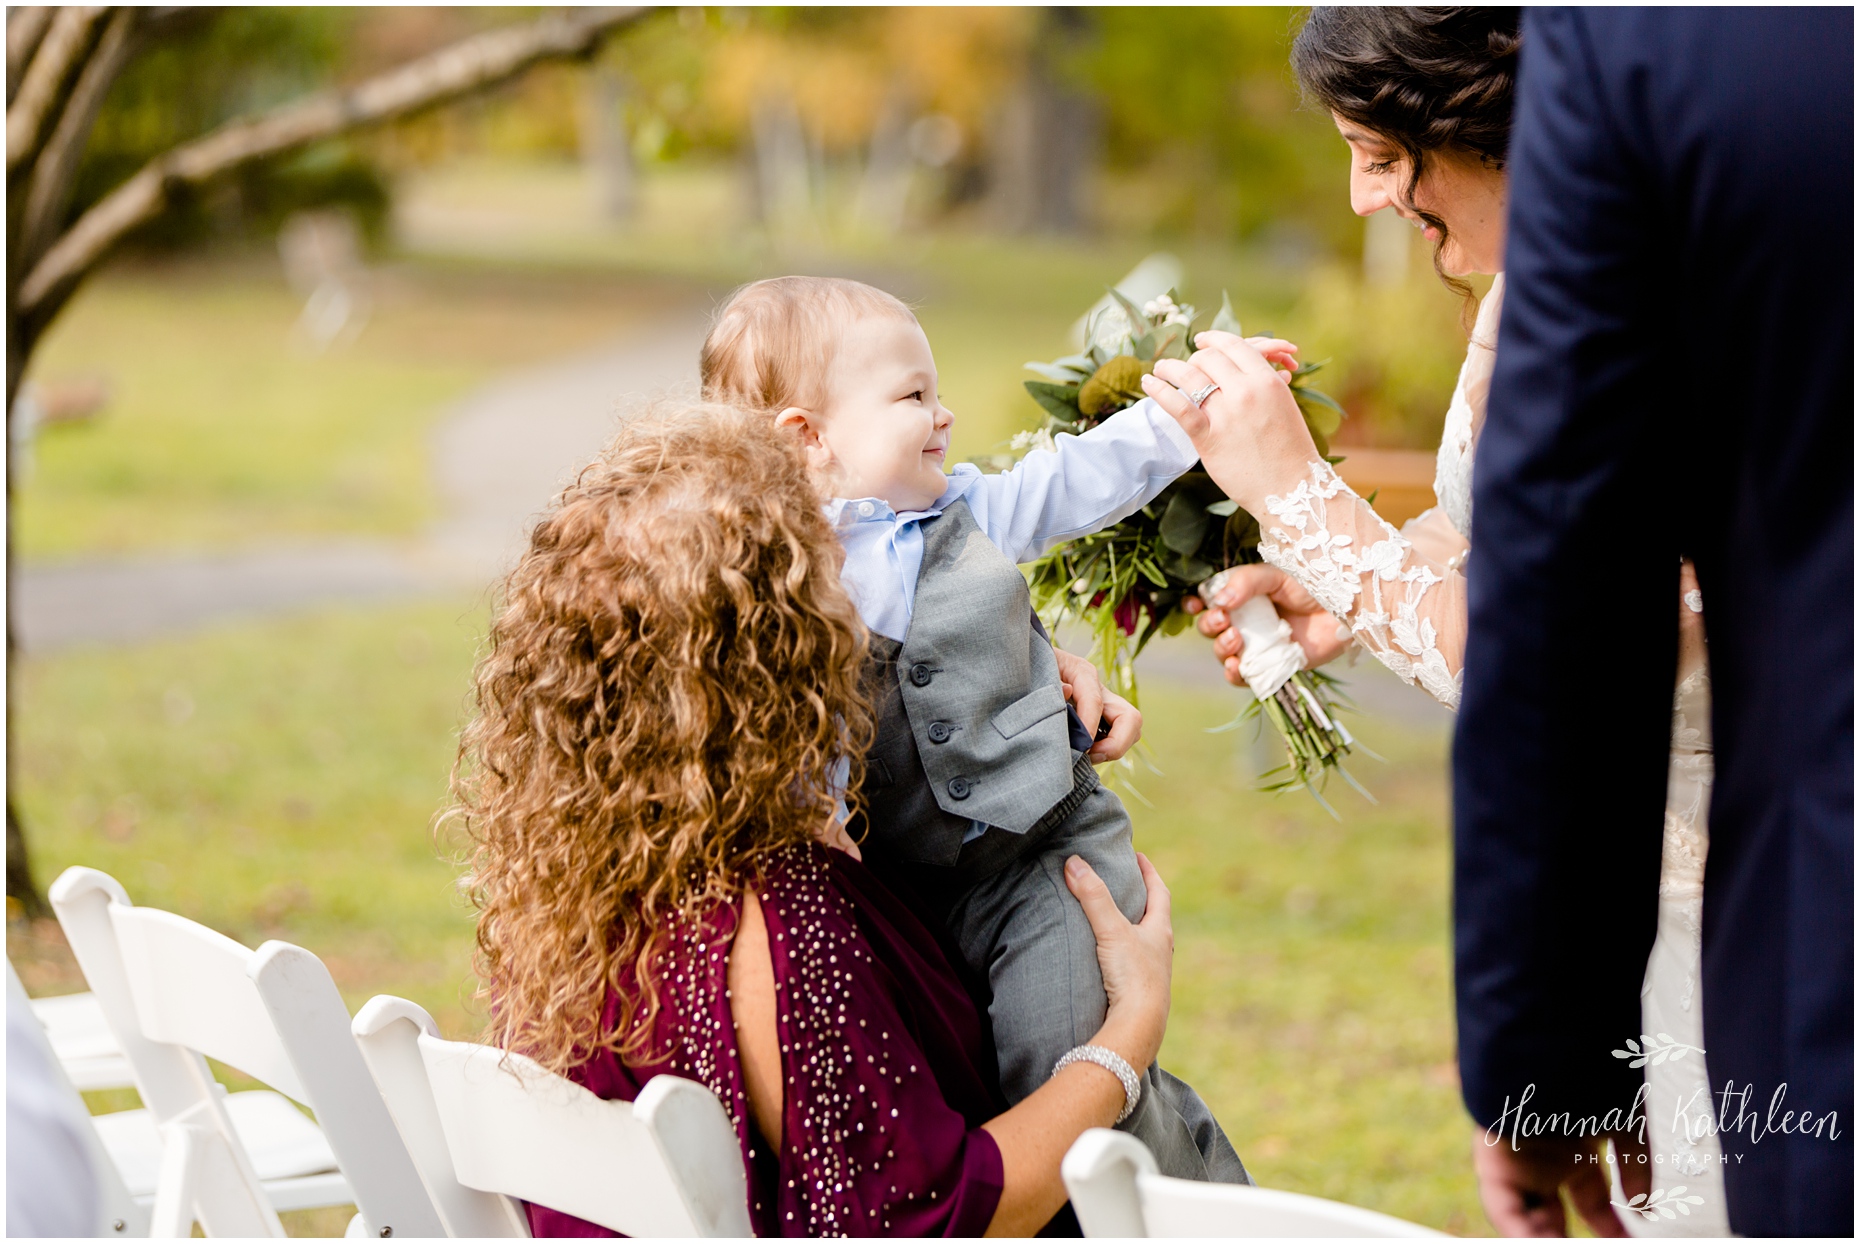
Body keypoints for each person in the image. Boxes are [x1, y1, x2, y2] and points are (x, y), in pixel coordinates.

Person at [1146, 8, 1761, 1235]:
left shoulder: (1679, 294)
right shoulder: (1533, 280)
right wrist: (1346, 588)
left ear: (1478, 127)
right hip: (1608, 900)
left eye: (1381, 158)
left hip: (1722, 895)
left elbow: (1582, 648)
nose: (1367, 199)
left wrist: (1299, 499)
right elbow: (1529, 543)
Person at [453, 403, 1181, 1236]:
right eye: (837, 584)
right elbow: (932, 1220)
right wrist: (1129, 1032)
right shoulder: (782, 925)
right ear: (785, 657)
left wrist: (1021, 673)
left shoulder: (577, 882)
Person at [698, 276, 1265, 1184]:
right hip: (913, 888)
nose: (944, 414)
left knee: (1066, 1066)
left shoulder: (964, 513)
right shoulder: (771, 583)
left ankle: (1194, 1208)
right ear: (808, 438)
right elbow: (783, 720)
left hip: (1043, 859)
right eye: (912, 397)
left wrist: (1185, 415)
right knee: (977, 1092)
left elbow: (1071, 483)